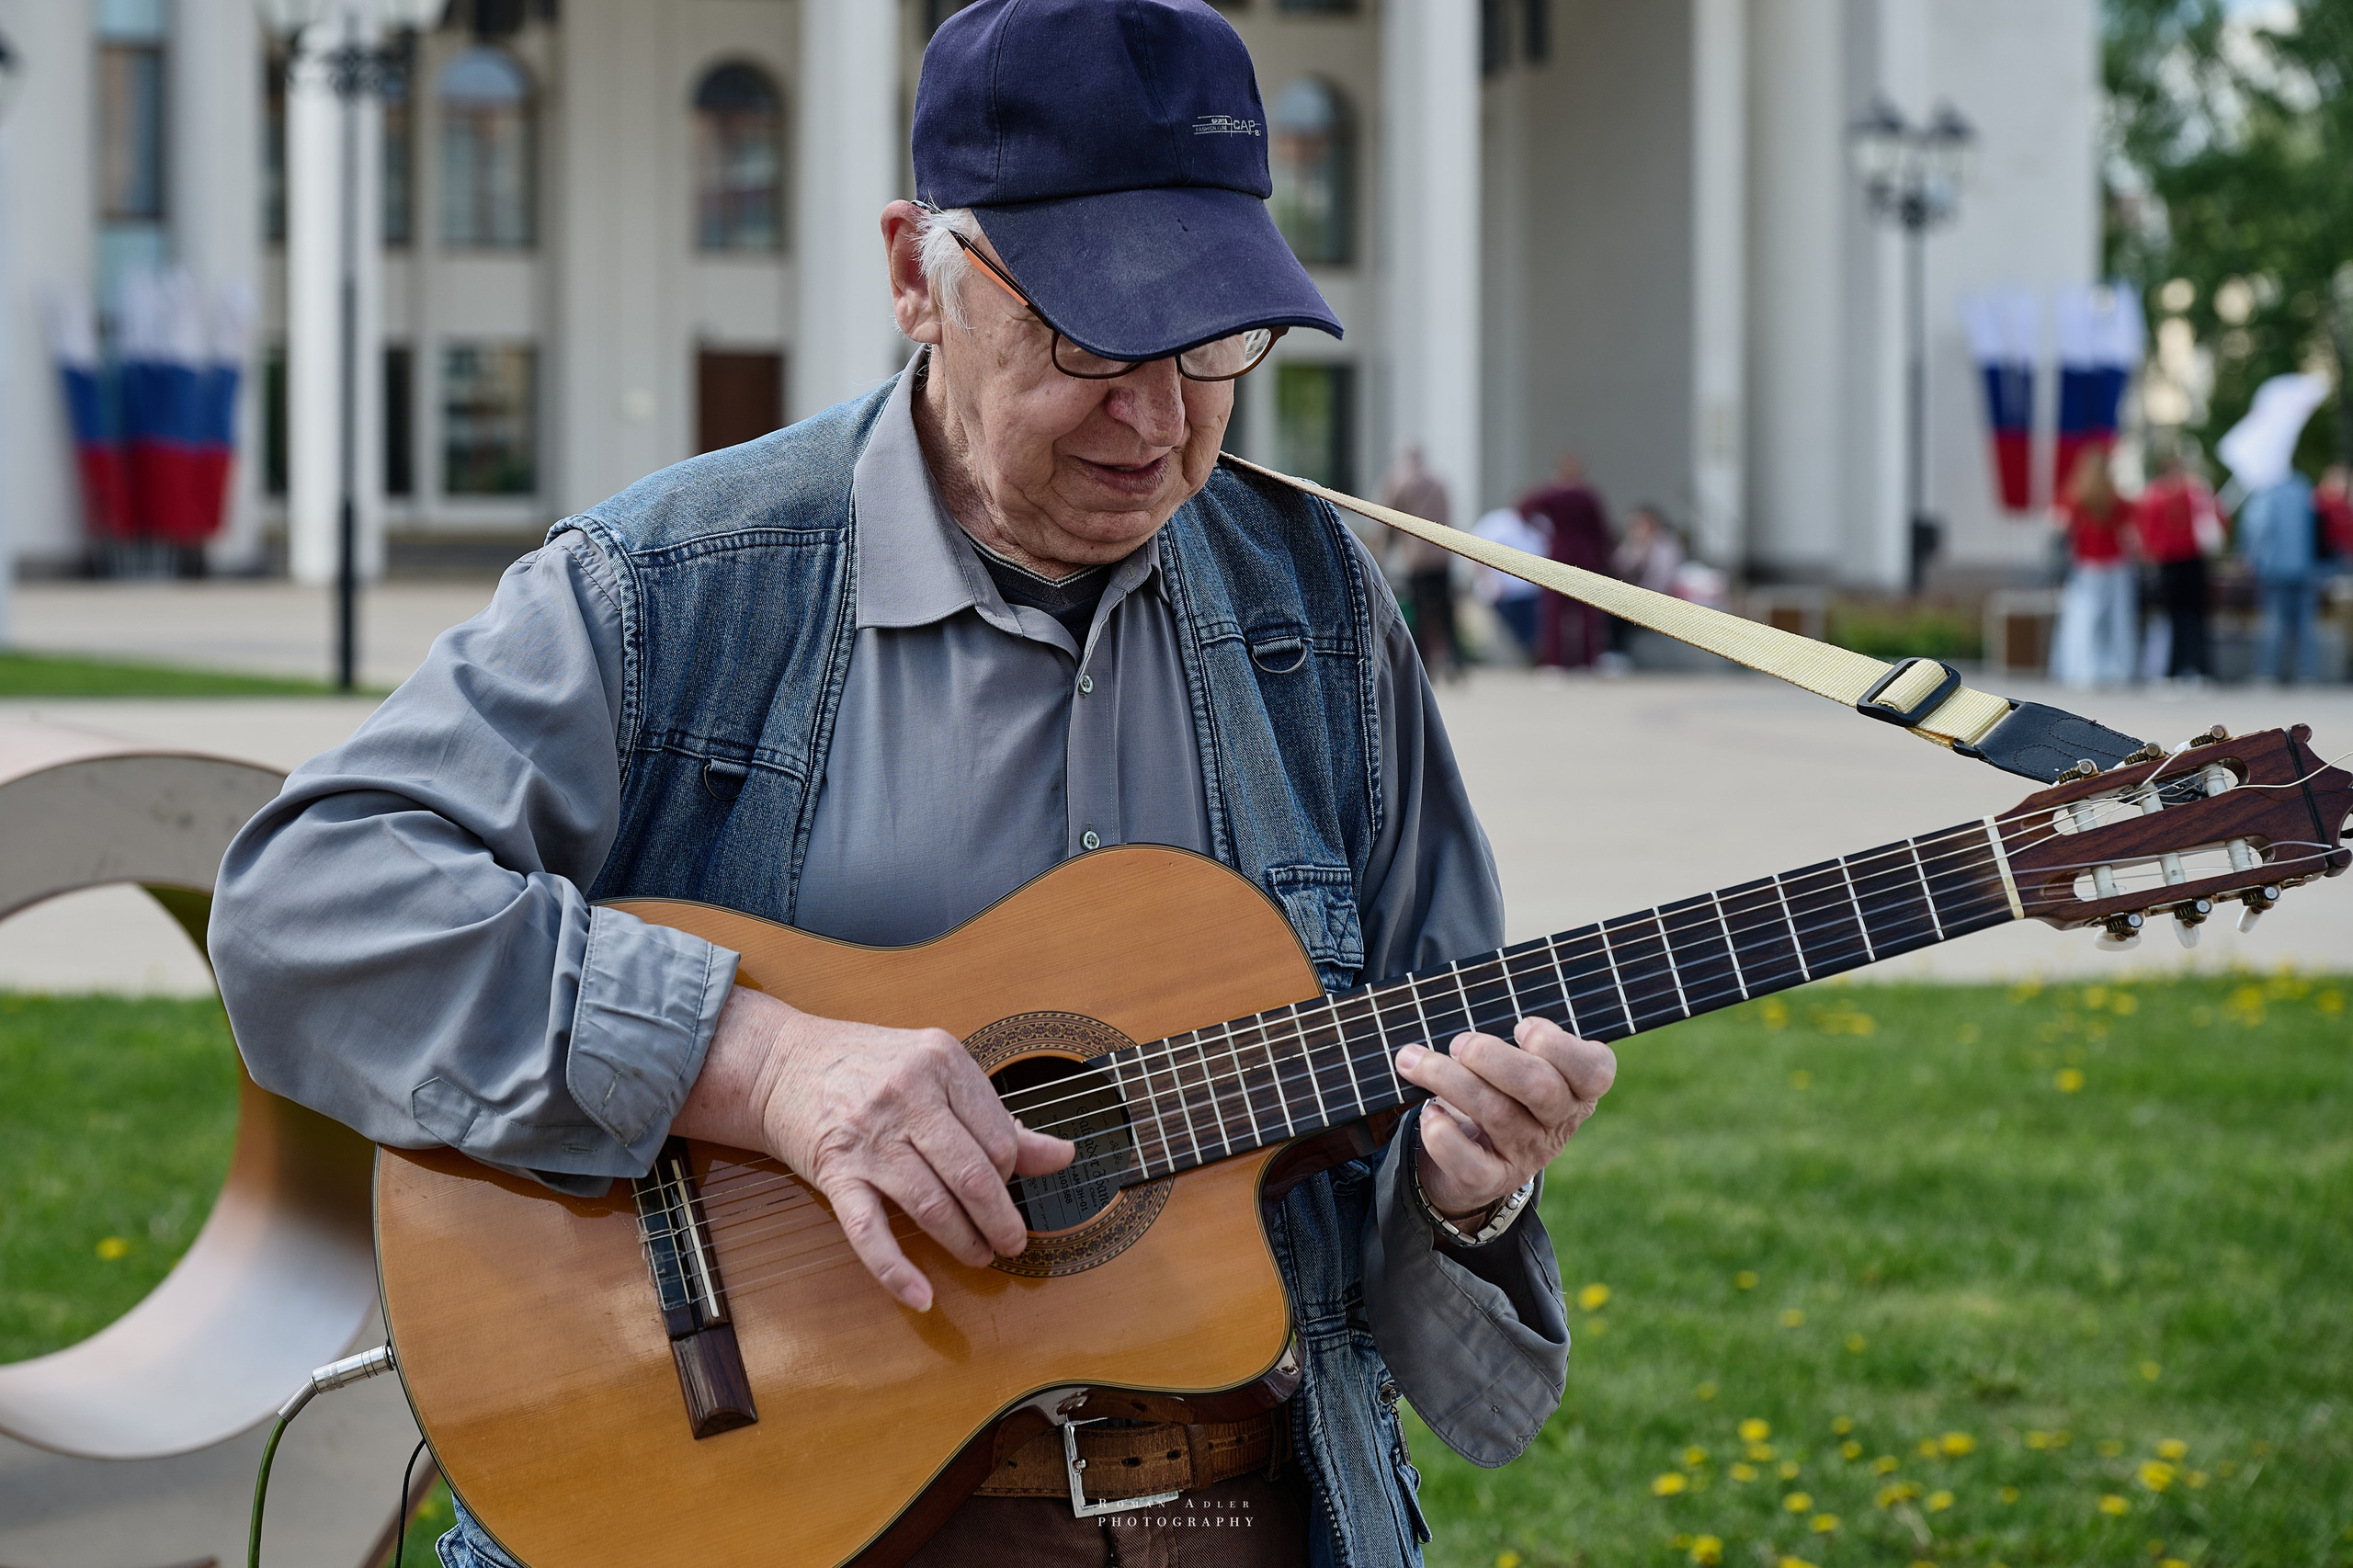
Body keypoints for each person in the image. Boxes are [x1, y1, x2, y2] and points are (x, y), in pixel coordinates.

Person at [207, 5, 1613, 1566]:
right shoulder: (675, 584)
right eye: (1087, 337)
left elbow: (1450, 1318)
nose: (1156, 418)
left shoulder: (1324, 621)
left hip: (1243, 1514)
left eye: (1213, 338)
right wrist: (756, 1063)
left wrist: (1468, 1192)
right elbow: (301, 906)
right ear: (911, 276)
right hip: (757, 1515)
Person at [2050, 446, 2139, 688]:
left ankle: (2081, 670)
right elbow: (2130, 531)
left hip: (2086, 564)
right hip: (2115, 563)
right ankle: (2119, 670)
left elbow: (2058, 527)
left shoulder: (2073, 496)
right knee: (2118, 619)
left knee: (2082, 620)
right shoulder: (2115, 499)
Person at [2135, 451, 2222, 682]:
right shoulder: (2195, 492)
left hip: (2172, 563)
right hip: (2190, 560)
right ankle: (2197, 669)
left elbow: (2148, 532)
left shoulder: (2155, 495)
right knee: (2193, 618)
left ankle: (2175, 670)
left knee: (2176, 618)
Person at [1517, 456, 1612, 668]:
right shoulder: (1586, 495)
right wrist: (1601, 557)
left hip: (1560, 553)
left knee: (1556, 610)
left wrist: (1542, 530)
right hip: (1583, 555)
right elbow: (1601, 531)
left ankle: (1557, 662)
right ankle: (1585, 662)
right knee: (1584, 611)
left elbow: (1524, 508)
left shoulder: (1553, 494)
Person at [1381, 445, 1462, 680]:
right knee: (1446, 611)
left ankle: (1423, 664)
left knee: (1419, 611)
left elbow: (1388, 518)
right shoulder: (1439, 483)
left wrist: (1383, 550)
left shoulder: (1400, 482)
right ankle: (1456, 662)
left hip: (1418, 559)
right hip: (1442, 555)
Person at [2236, 465, 2323, 684]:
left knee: (2274, 623)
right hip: (2305, 566)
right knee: (2304, 625)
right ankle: (2307, 673)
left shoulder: (2267, 492)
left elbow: (2258, 527)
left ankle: (2268, 672)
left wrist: (2250, 558)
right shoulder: (2304, 487)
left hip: (2274, 567)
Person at [1470, 504, 1548, 657]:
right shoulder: (1499, 523)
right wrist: (1489, 582)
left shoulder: (1540, 524)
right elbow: (1475, 552)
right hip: (1503, 593)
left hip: (1531, 594)